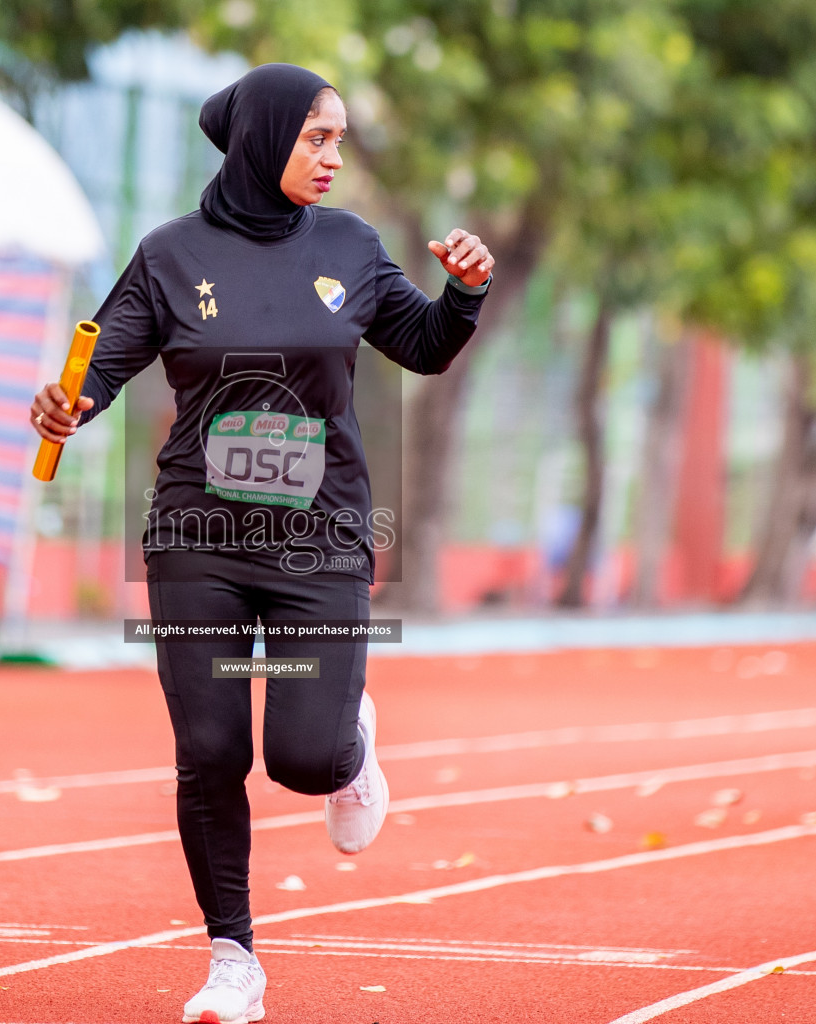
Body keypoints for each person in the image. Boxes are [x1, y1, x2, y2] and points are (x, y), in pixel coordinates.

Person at [29, 64, 494, 1024]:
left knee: (304, 761)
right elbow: (103, 363)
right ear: (263, 137)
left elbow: (424, 344)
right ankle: (233, 957)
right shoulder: (170, 254)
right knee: (206, 748)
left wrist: (463, 297)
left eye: (339, 140)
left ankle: (350, 740)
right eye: (315, 138)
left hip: (320, 541)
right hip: (197, 532)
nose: (332, 157)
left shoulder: (352, 246)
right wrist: (67, 403)